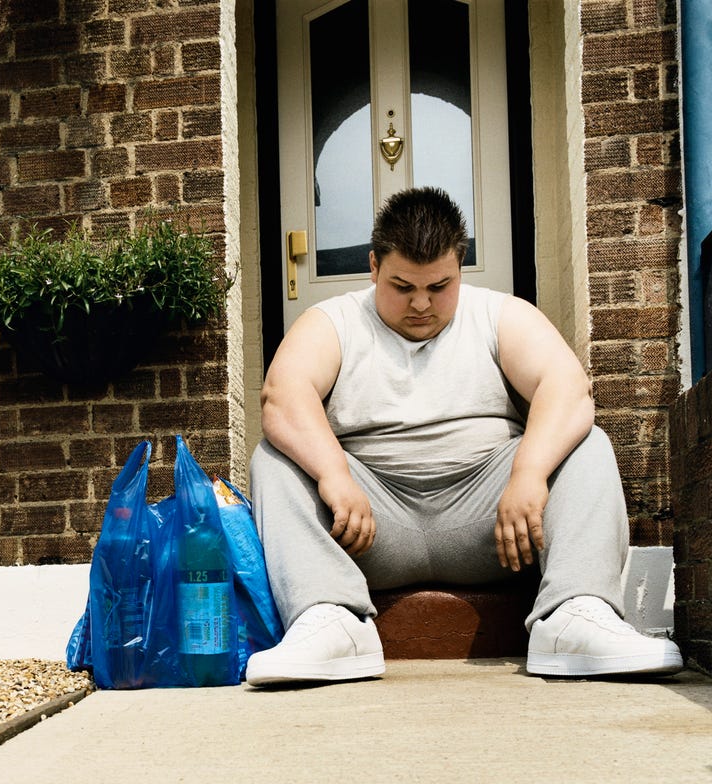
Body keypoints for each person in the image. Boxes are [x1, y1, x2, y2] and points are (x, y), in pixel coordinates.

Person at [245, 186, 683, 687]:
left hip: (494, 523)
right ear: (372, 266)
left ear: (461, 265)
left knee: (587, 442)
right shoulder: (334, 321)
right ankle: (331, 621)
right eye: (402, 286)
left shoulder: (498, 315)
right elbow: (282, 396)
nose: (421, 304)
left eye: (439, 286)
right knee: (274, 457)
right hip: (369, 523)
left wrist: (529, 473)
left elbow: (568, 387)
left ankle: (574, 617)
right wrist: (334, 473)